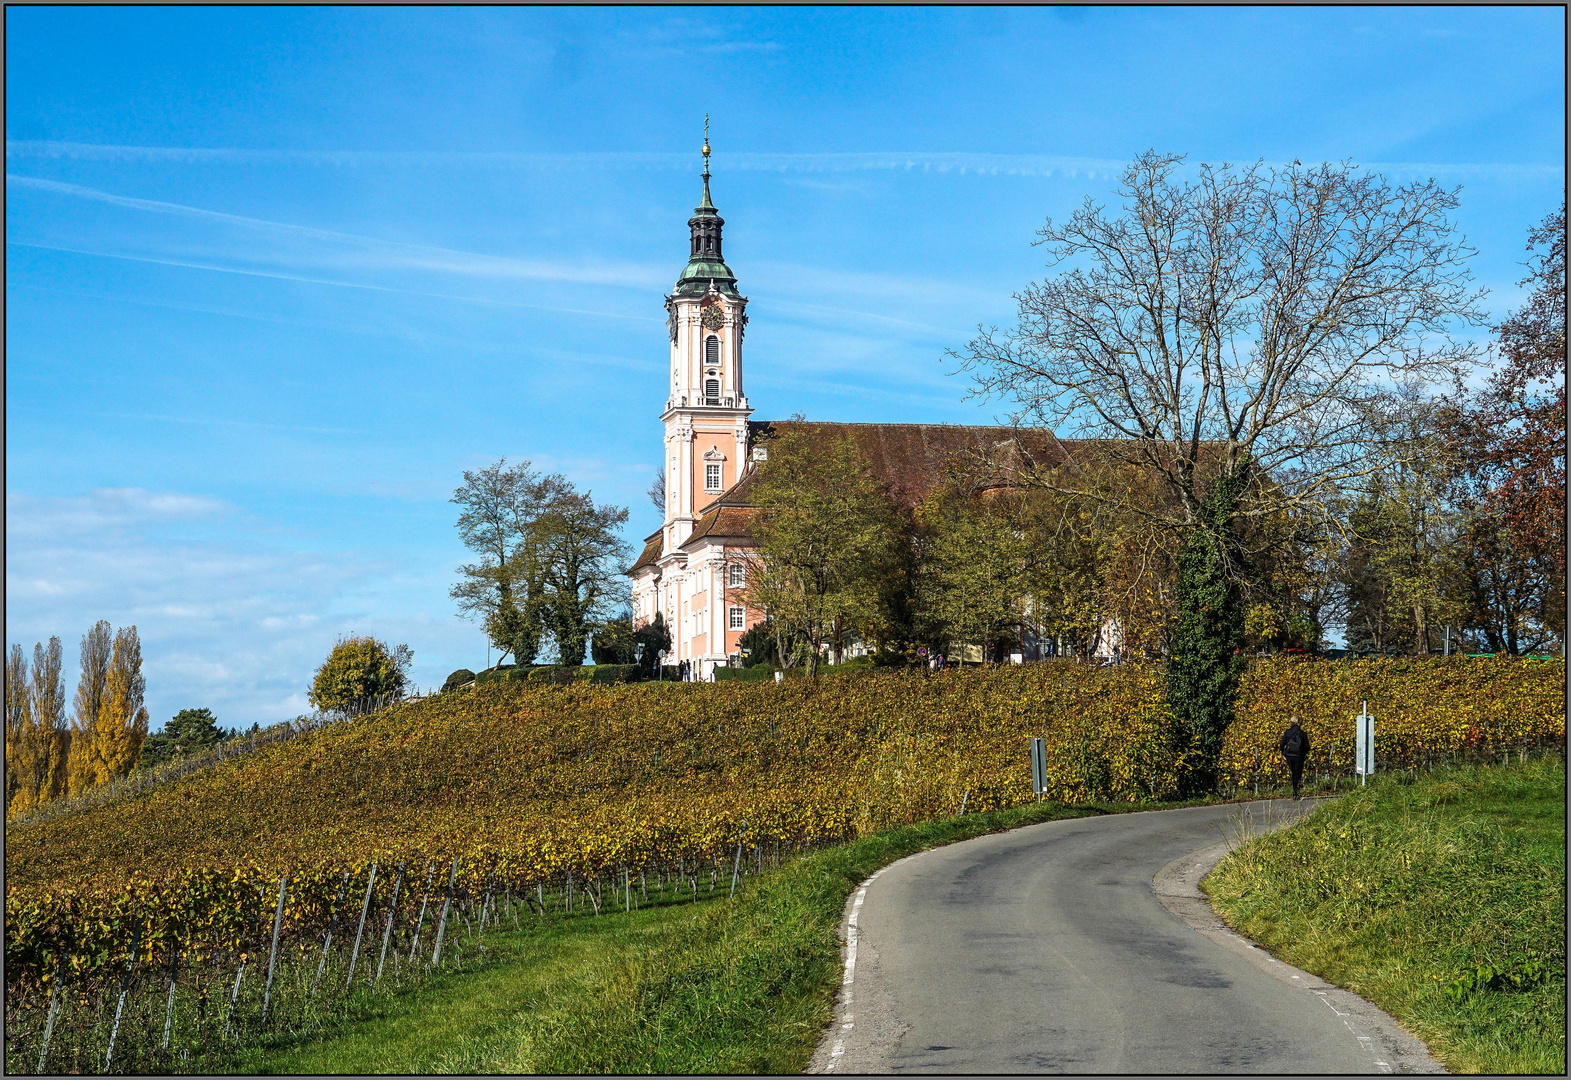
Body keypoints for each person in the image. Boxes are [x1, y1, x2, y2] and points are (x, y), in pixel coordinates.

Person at [1279, 716, 1311, 799]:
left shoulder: (1287, 732)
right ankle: (1296, 791)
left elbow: (1282, 744)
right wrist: (1305, 753)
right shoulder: (1302, 733)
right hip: (1299, 756)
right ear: (1299, 722)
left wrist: (1283, 753)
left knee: (1293, 773)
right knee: (1297, 773)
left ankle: (1294, 790)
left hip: (1289, 755)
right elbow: (1307, 746)